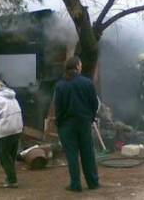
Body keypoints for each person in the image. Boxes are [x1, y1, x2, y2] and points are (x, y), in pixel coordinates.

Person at [54, 56, 100, 192]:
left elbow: (59, 107)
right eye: (80, 65)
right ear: (77, 67)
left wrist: (60, 122)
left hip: (67, 125)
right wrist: (91, 118)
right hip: (84, 123)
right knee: (88, 153)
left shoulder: (61, 85)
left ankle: (76, 184)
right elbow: (95, 103)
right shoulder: (87, 83)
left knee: (72, 155)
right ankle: (93, 182)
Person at [0, 79, 23, 188]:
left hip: (6, 130)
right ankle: (10, 177)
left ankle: (12, 180)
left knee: (4, 157)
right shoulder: (12, 96)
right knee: (11, 155)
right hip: (17, 128)